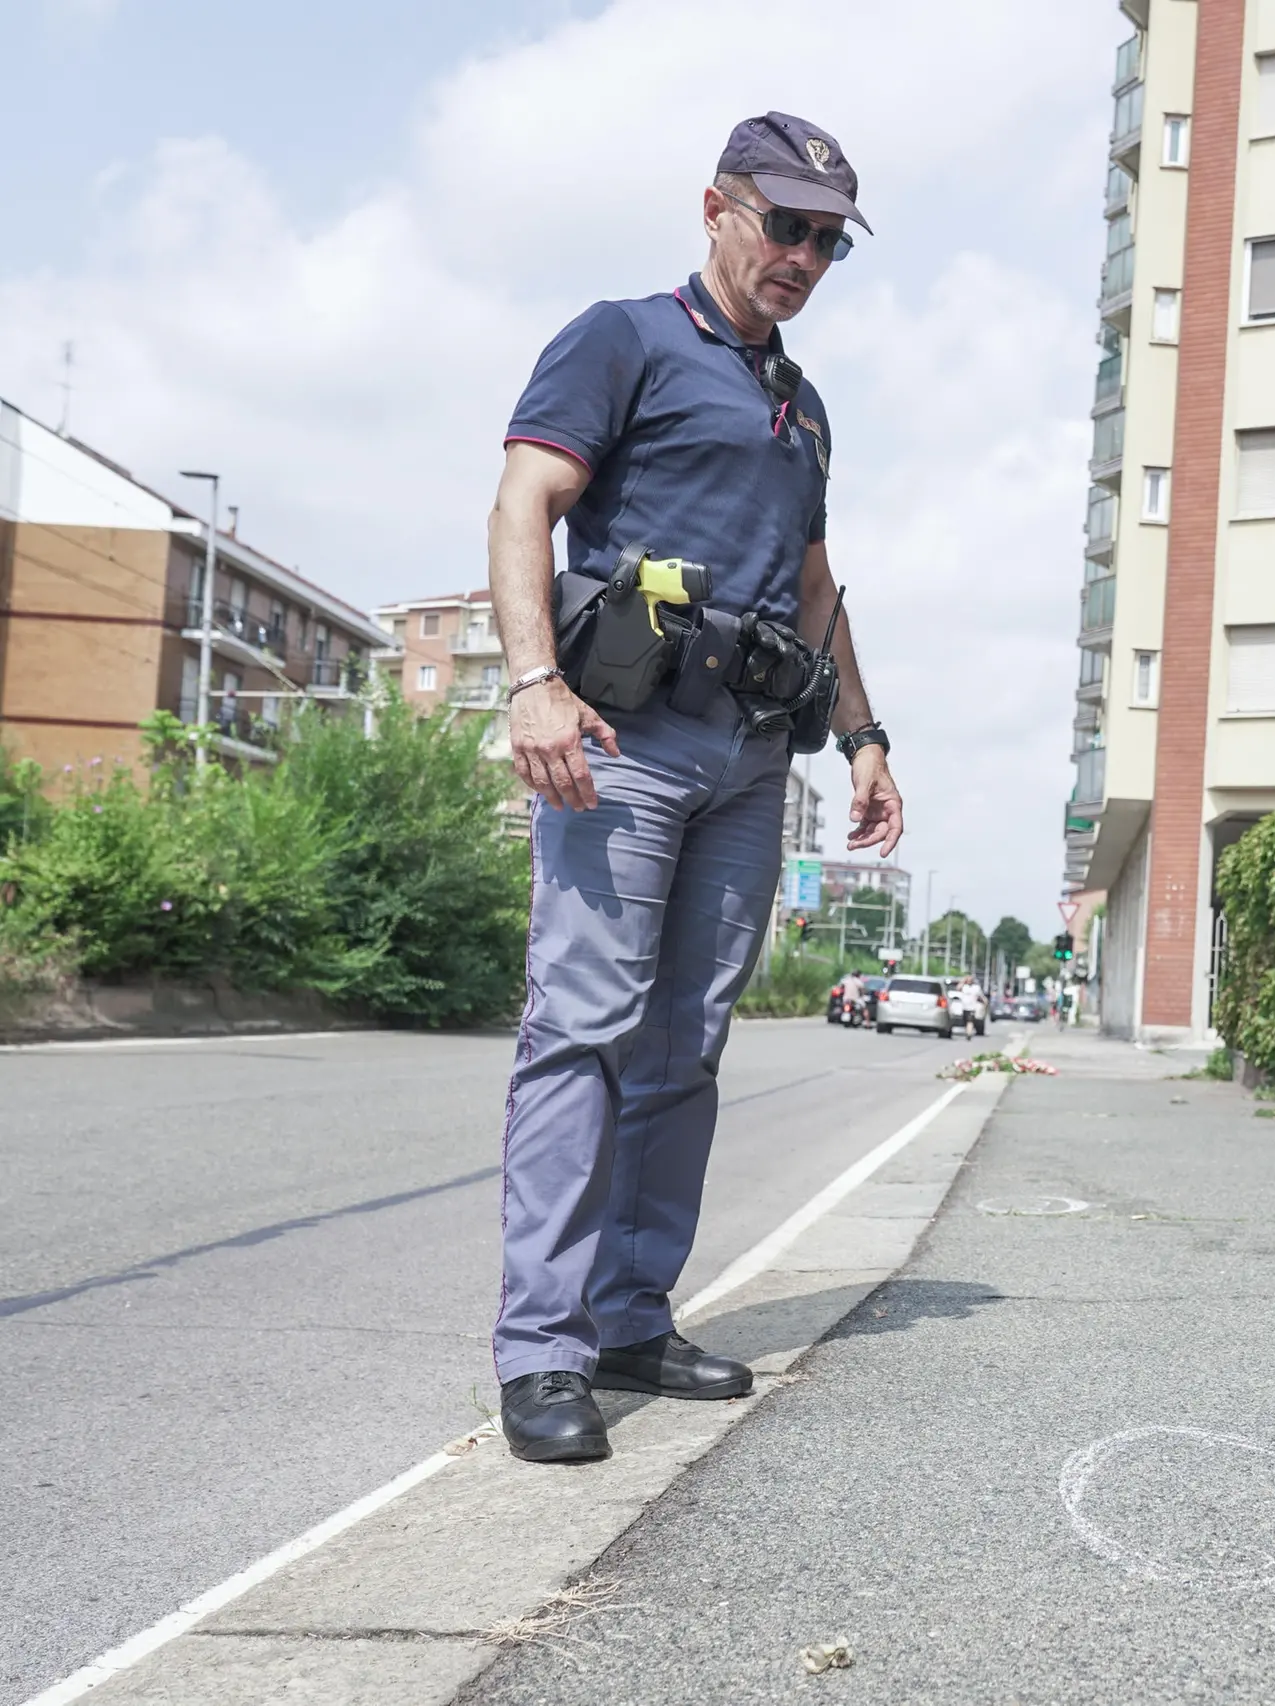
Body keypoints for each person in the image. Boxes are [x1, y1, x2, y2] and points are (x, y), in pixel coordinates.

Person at [484, 112, 905, 1463]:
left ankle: (626, 1315)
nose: (803, 256)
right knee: (586, 1029)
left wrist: (866, 736)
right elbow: (523, 501)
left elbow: (818, 583)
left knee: (686, 1051)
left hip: (750, 763)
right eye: (784, 225)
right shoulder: (624, 338)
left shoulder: (807, 405)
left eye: (827, 240)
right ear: (715, 207)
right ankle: (542, 1350)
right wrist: (531, 682)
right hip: (627, 745)